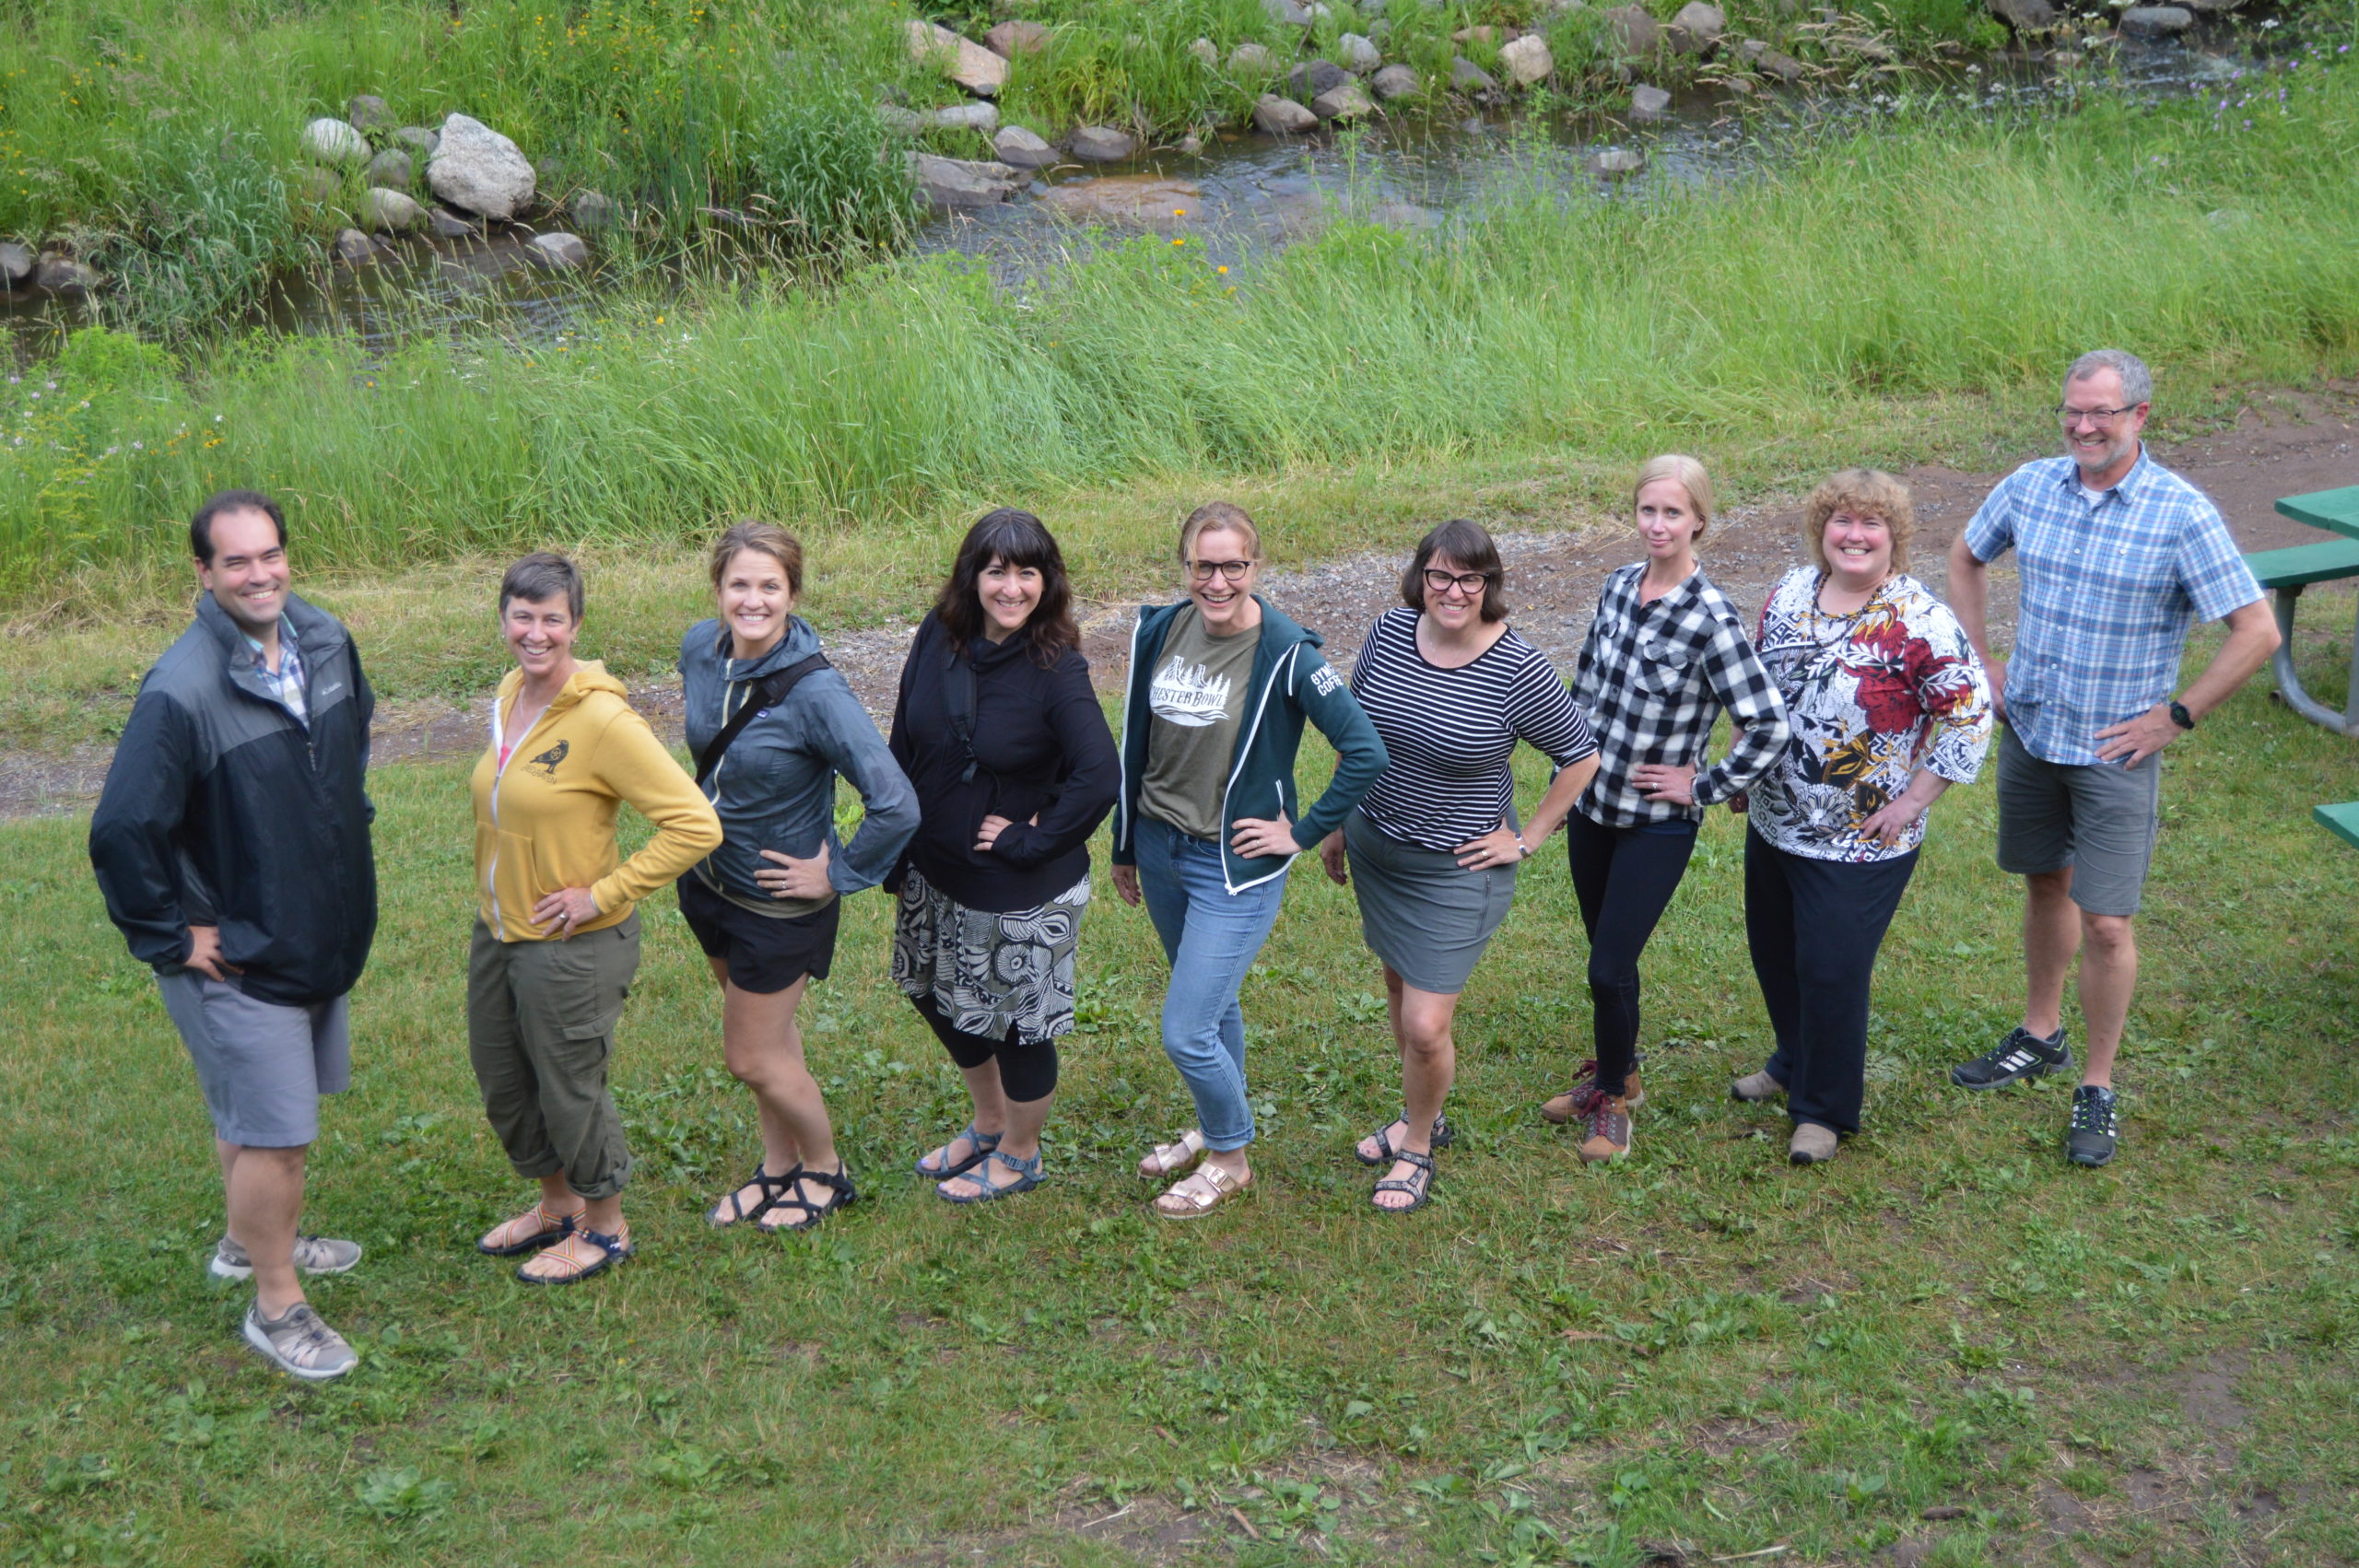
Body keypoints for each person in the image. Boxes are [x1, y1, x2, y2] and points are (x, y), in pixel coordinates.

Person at [1944, 349, 2279, 1165]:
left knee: (2107, 922)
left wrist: (2175, 717)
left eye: (2101, 412)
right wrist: (1980, 658)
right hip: (2030, 731)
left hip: (2113, 755)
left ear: (2140, 417)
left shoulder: (2180, 513)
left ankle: (2096, 1083)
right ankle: (2039, 1032)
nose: (2084, 426)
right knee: (2045, 883)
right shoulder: (2031, 484)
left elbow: (2258, 630)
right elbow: (1964, 556)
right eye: (2073, 411)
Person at [89, 490, 378, 1379]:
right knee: (278, 1137)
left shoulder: (324, 642)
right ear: (204, 575)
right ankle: (276, 1303)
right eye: (237, 562)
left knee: (254, 1120)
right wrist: (171, 936)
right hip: (239, 955)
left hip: (305, 930)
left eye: (271, 556)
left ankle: (244, 1240)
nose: (260, 575)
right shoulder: (182, 690)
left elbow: (349, 746)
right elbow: (120, 828)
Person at [1109, 502, 1390, 1218]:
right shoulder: (1159, 629)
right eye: (1204, 565)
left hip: (1230, 867)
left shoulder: (1289, 654)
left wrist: (1299, 833)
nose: (1218, 580)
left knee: (1185, 1029)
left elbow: (1365, 752)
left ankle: (1230, 1155)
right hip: (1160, 847)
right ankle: (1209, 1127)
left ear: (1255, 567)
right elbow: (1135, 744)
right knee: (1213, 1004)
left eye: (1234, 565)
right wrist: (1124, 846)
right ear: (1186, 568)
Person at [1319, 520, 1600, 1212]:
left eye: (1468, 578)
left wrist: (1526, 838)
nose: (1452, 591)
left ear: (1488, 585)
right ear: (1421, 578)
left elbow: (1582, 757)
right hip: (1377, 843)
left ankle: (1416, 1146)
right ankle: (1426, 1112)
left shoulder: (1518, 667)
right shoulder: (1389, 632)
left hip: (1455, 869)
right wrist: (1332, 820)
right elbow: (1359, 733)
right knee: (1395, 983)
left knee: (1424, 1024)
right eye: (1439, 576)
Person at [466, 553, 722, 1281]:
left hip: (571, 941)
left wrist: (602, 894)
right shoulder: (511, 691)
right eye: (523, 615)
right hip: (500, 929)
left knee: (569, 1086)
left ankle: (606, 1227)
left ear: (575, 625)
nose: (536, 632)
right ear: (504, 619)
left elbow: (696, 824)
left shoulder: (603, 718)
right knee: (505, 1075)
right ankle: (558, 1208)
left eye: (552, 618)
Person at [1737, 471, 1992, 1164]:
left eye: (1871, 524)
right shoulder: (1789, 593)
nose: (1854, 535)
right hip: (1776, 819)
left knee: (1831, 968)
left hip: (1861, 841)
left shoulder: (1919, 619)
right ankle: (1792, 1059)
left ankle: (1822, 1110)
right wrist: (1742, 765)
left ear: (1894, 538)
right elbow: (1763, 690)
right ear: (1822, 530)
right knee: (1776, 953)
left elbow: (1969, 715)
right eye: (1841, 521)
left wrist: (1913, 800)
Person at [1546, 455, 1790, 1164]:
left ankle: (1615, 1106)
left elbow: (1769, 723)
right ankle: (1621, 1072)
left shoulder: (1711, 617)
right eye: (1648, 511)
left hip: (1655, 824)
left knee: (1607, 966)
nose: (1658, 525)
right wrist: (1565, 784)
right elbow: (1585, 691)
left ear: (1700, 521)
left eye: (1673, 513)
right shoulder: (1619, 587)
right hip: (1594, 807)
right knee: (1608, 961)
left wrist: (1705, 783)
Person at [685, 521, 918, 1234]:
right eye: (739, 584)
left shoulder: (818, 694)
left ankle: (825, 1169)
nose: (752, 600)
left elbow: (897, 803)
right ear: (718, 588)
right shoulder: (701, 649)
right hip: (708, 885)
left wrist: (839, 871)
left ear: (792, 593)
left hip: (778, 907)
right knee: (771, 1050)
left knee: (749, 1054)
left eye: (769, 586)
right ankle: (778, 1167)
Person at [889, 509, 1120, 1202]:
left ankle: (1022, 1153)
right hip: (936, 867)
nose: (1012, 588)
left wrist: (1030, 836)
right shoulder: (940, 635)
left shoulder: (1057, 668)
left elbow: (1099, 775)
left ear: (1047, 582)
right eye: (997, 571)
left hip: (1018, 888)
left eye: (1028, 572)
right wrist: (895, 843)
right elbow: (905, 733)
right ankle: (990, 1122)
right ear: (973, 576)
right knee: (933, 996)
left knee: (1017, 1027)